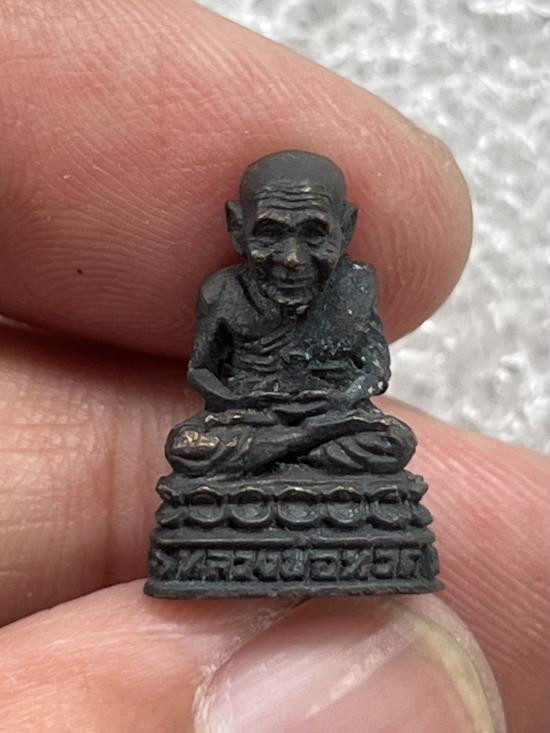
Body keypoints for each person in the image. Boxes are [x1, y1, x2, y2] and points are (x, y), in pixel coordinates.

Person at [0, 2, 547, 732]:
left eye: (314, 234)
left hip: (330, 422)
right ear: (237, 228)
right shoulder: (223, 292)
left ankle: (297, 470)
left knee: (386, 442)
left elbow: (373, 372)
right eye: (270, 234)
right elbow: (205, 375)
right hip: (253, 422)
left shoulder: (356, 286)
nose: (291, 259)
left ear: (346, 230)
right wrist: (262, 412)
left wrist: (323, 411)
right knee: (193, 447)